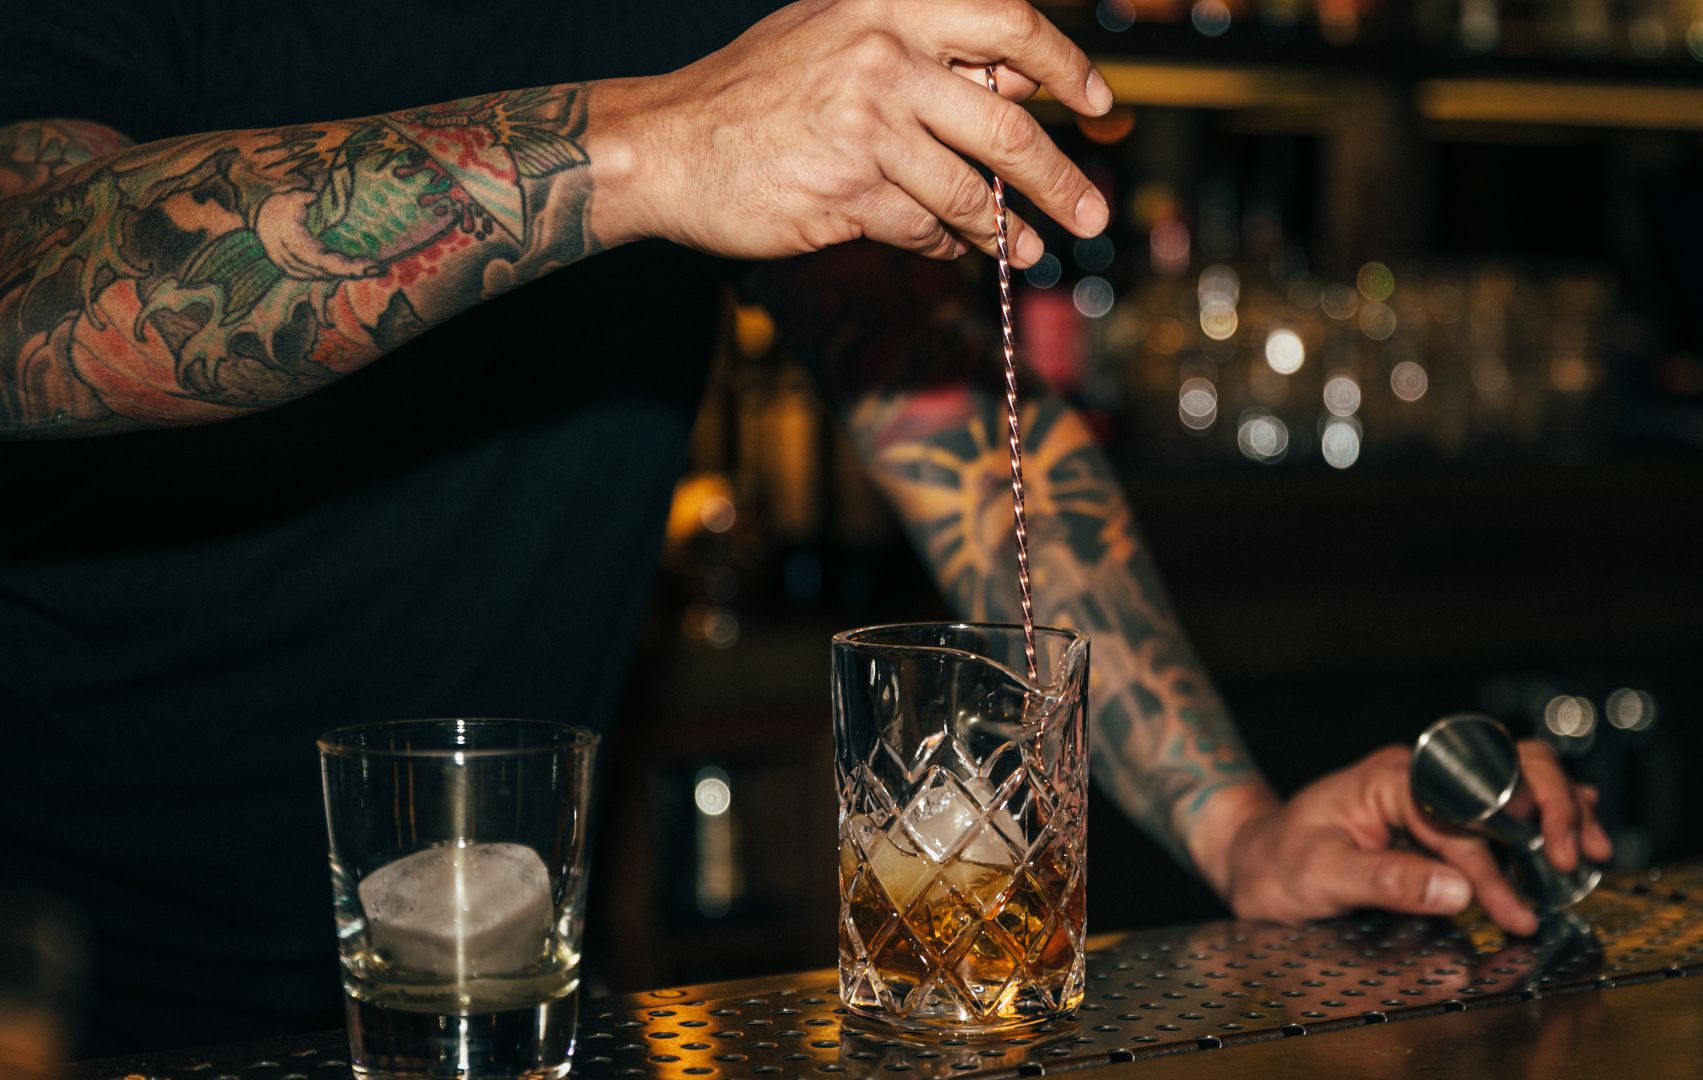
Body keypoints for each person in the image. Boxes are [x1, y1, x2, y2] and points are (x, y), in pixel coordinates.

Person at [0, 0, 1610, 1058]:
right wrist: (653, 143)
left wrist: (1236, 825)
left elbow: (943, 397)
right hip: (62, 976)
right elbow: (29, 286)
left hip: (513, 983)